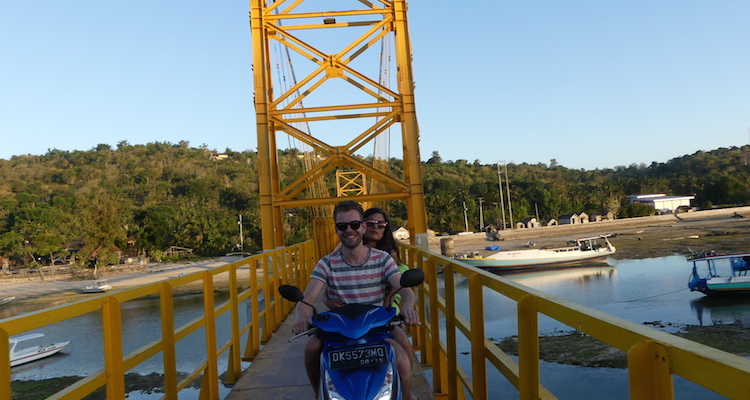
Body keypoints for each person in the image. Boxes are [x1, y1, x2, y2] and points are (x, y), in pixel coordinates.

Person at [292, 200, 419, 400]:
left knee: (402, 358)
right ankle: (319, 393)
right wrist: (302, 318)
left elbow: (406, 290)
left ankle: (407, 395)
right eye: (342, 226)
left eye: (354, 224)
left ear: (362, 226)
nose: (349, 230)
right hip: (337, 330)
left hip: (376, 326)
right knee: (311, 349)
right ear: (336, 229)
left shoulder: (382, 259)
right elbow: (307, 299)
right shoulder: (327, 263)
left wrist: (409, 309)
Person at [324, 207, 416, 367]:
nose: (375, 227)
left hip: (380, 310)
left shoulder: (386, 256)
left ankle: (407, 387)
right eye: (371, 223)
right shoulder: (343, 253)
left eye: (381, 224)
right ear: (364, 225)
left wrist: (396, 305)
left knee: (402, 344)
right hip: (347, 316)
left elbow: (396, 286)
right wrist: (327, 301)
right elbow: (327, 283)